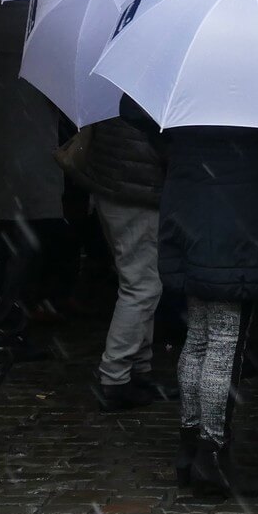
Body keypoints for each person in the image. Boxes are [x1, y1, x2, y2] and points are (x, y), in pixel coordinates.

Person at [122, 97, 258, 498]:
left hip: (189, 207)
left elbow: (139, 117)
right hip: (235, 219)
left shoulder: (183, 84)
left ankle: (191, 446)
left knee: (199, 336)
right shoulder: (253, 86)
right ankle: (212, 456)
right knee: (223, 340)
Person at [0, 0, 66, 359]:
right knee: (24, 245)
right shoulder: (44, 31)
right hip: (35, 148)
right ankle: (6, 327)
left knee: (2, 241)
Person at [81, 113, 179, 410]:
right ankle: (115, 377)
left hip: (116, 184)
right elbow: (152, 145)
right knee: (142, 286)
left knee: (139, 280)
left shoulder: (120, 82)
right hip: (136, 190)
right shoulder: (146, 95)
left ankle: (139, 368)